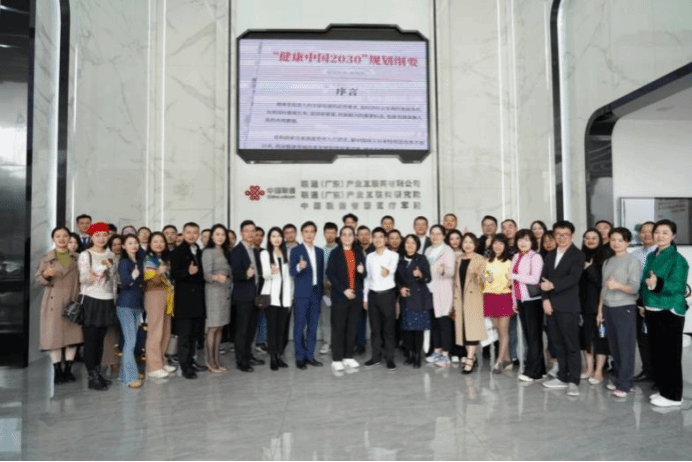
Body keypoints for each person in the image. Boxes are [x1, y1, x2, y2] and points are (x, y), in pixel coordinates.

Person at [641, 220, 690, 408]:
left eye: (665, 232)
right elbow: (645, 282)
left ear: (673, 236)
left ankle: (674, 396)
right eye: (657, 232)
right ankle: (664, 390)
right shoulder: (653, 256)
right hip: (652, 308)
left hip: (669, 310)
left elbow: (678, 287)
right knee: (658, 353)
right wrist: (643, 303)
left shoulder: (677, 259)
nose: (660, 236)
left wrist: (657, 283)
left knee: (670, 355)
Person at [541, 221, 586, 397]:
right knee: (557, 343)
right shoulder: (550, 255)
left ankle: (573, 381)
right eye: (558, 235)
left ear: (572, 235)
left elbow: (574, 278)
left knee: (571, 344)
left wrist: (553, 285)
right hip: (551, 306)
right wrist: (545, 300)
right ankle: (562, 376)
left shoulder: (578, 255)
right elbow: (543, 279)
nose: (561, 238)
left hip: (568, 305)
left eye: (565, 234)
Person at [597, 227, 641, 398]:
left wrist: (618, 286)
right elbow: (603, 288)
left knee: (625, 347)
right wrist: (600, 309)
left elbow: (635, 287)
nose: (616, 243)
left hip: (625, 307)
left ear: (628, 242)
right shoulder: (608, 261)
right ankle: (620, 379)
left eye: (620, 240)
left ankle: (625, 384)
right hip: (608, 307)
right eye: (613, 239)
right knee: (614, 347)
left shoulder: (632, 261)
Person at [35, 226, 83, 385]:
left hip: (72, 301)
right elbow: (38, 280)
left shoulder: (78, 258)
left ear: (69, 238)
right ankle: (57, 372)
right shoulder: (46, 258)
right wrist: (46, 275)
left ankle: (68, 370)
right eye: (58, 236)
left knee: (72, 337)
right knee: (53, 338)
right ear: (53, 239)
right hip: (53, 302)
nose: (62, 239)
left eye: (65, 236)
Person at [78, 222, 118, 391]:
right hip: (91, 299)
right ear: (91, 237)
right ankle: (92, 376)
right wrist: (93, 275)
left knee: (101, 340)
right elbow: (83, 279)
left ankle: (98, 372)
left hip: (107, 299)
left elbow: (114, 279)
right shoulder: (85, 255)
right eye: (97, 235)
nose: (101, 238)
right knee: (91, 340)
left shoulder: (111, 255)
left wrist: (114, 298)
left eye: (104, 235)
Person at [326, 226, 366, 372]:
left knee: (352, 328)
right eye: (344, 234)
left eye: (350, 234)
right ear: (340, 237)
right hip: (340, 297)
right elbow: (330, 274)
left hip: (355, 297)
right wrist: (344, 290)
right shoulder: (335, 253)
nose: (347, 237)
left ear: (354, 237)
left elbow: (364, 274)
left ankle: (348, 357)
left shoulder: (358, 253)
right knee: (338, 328)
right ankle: (337, 359)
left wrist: (362, 271)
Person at [170, 223, 207, 380]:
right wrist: (188, 272)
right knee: (184, 336)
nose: (192, 235)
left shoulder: (199, 251)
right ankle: (185, 367)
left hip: (198, 300)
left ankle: (192, 361)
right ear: (183, 233)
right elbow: (174, 274)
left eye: (195, 232)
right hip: (184, 301)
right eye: (188, 232)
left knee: (195, 335)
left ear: (198, 234)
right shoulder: (177, 252)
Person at [509, 230, 545, 383]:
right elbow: (513, 283)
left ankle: (532, 372)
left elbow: (535, 279)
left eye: (526, 240)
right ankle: (540, 369)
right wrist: (514, 301)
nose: (523, 243)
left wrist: (514, 276)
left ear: (532, 242)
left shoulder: (535, 257)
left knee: (533, 336)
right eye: (520, 240)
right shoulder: (516, 256)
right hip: (521, 300)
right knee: (529, 336)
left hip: (533, 300)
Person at [363, 227, 400, 371]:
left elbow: (392, 267)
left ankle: (390, 358)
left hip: (388, 296)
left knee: (388, 329)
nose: (378, 239)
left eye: (381, 237)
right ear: (372, 239)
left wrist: (387, 270)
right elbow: (367, 278)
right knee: (375, 329)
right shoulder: (369, 256)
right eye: (375, 237)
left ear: (386, 239)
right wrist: (365, 298)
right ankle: (376, 357)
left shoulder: (393, 255)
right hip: (372, 296)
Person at [290, 221, 325, 370]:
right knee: (299, 326)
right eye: (306, 231)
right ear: (302, 234)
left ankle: (310, 355)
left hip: (316, 293)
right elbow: (292, 271)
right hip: (301, 294)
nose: (309, 234)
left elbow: (321, 274)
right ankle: (300, 357)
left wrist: (322, 292)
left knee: (313, 326)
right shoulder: (296, 251)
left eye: (312, 231)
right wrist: (299, 266)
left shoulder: (319, 251)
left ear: (315, 234)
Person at [232, 221, 265, 372]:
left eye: (253, 231)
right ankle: (241, 361)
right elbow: (234, 273)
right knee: (242, 330)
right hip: (243, 296)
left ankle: (249, 355)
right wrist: (245, 274)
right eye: (247, 231)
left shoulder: (255, 250)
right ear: (241, 233)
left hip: (256, 295)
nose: (250, 234)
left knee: (252, 328)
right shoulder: (237, 251)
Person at [143, 232, 176, 379]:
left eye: (161, 241)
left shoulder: (164, 259)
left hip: (167, 294)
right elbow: (150, 281)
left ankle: (161, 361)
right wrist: (158, 272)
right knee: (155, 331)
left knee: (165, 330)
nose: (158, 244)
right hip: (154, 294)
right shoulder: (149, 260)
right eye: (155, 241)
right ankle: (153, 366)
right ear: (150, 244)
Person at [453, 233, 487, 374]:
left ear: (475, 244)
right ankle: (472, 357)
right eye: (465, 242)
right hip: (459, 299)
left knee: (472, 331)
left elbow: (485, 281)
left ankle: (469, 359)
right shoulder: (458, 258)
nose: (467, 245)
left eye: (471, 242)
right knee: (464, 332)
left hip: (473, 299)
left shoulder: (481, 259)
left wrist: (476, 274)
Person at [260, 228, 293, 371]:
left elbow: (289, 278)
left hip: (284, 297)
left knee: (281, 329)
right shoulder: (265, 253)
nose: (276, 238)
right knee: (272, 329)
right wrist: (272, 272)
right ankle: (273, 357)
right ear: (269, 239)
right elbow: (265, 275)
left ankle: (279, 356)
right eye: (273, 236)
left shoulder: (286, 253)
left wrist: (290, 297)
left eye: (279, 236)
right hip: (270, 297)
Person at [579, 229, 610, 385]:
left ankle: (599, 372)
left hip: (598, 304)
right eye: (587, 238)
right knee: (585, 339)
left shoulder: (605, 258)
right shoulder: (579, 256)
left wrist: (589, 268)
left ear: (600, 240)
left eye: (594, 238)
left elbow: (601, 283)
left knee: (600, 339)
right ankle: (589, 369)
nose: (590, 240)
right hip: (581, 305)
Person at [398, 235, 432, 369]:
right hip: (406, 298)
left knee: (418, 329)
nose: (410, 245)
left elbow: (428, 278)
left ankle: (417, 356)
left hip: (419, 298)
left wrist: (420, 275)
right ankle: (410, 354)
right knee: (407, 330)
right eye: (407, 242)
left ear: (417, 245)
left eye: (413, 243)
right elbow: (396, 279)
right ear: (404, 245)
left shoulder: (421, 259)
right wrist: (400, 288)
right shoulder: (400, 260)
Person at [202, 224, 232, 374]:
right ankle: (210, 361)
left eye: (223, 234)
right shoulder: (208, 252)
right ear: (212, 236)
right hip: (213, 291)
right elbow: (206, 274)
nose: (220, 237)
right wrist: (217, 277)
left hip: (225, 291)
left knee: (220, 327)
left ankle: (217, 359)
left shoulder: (226, 252)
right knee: (213, 327)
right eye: (217, 234)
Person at [425, 225, 456, 368]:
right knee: (434, 322)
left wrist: (443, 270)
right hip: (429, 291)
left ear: (443, 236)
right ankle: (437, 351)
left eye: (438, 234)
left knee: (444, 323)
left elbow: (451, 271)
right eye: (432, 233)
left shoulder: (447, 250)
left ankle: (445, 355)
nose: (435, 236)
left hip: (443, 291)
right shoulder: (428, 250)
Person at [116, 235, 144, 389]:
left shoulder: (138, 261)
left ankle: (124, 374)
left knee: (131, 340)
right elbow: (125, 282)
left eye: (135, 243)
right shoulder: (124, 262)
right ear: (124, 246)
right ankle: (130, 378)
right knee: (130, 341)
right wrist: (133, 276)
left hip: (136, 304)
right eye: (130, 243)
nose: (134, 245)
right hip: (125, 305)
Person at [483, 234, 514, 373]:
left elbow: (513, 282)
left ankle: (499, 361)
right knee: (497, 330)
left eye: (501, 244)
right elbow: (482, 280)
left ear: (505, 246)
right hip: (489, 297)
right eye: (495, 243)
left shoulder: (509, 262)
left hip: (504, 297)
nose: (498, 246)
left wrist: (512, 280)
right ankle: (507, 359)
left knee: (503, 330)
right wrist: (484, 279)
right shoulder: (486, 261)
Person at [631, 221, 656, 382]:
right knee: (642, 337)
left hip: (655, 298)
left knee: (656, 338)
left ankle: (658, 374)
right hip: (638, 297)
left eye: (650, 231)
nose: (646, 235)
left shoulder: (662, 254)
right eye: (643, 232)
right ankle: (647, 370)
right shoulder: (635, 254)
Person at [318, 222, 339, 355]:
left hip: (339, 289)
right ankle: (327, 342)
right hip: (324, 289)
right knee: (326, 318)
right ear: (324, 234)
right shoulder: (320, 251)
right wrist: (323, 283)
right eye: (327, 232)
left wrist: (333, 283)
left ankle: (338, 342)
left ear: (336, 234)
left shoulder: (341, 250)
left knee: (339, 317)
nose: (330, 235)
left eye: (332, 233)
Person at [355, 225, 375, 355]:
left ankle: (378, 345)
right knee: (359, 319)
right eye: (361, 234)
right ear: (357, 236)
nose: (364, 237)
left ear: (370, 236)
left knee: (375, 320)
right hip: (358, 289)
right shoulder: (354, 250)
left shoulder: (375, 250)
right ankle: (360, 344)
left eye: (366, 234)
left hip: (374, 289)